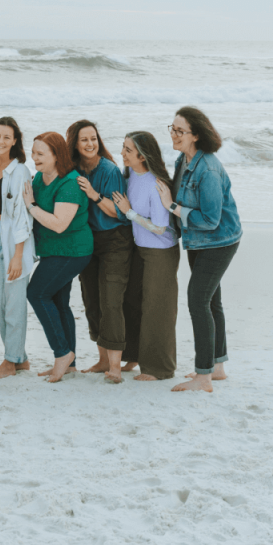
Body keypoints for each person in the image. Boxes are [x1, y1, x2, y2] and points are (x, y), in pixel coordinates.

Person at [157, 107, 242, 393]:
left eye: (180, 131)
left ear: (195, 135)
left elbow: (211, 219)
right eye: (172, 127)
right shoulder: (184, 159)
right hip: (196, 241)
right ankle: (216, 367)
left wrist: (172, 206)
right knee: (211, 299)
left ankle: (203, 376)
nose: (173, 134)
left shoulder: (208, 169)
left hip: (219, 240)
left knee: (198, 300)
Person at [23, 132, 93, 383]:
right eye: (33, 152)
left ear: (57, 156)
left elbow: (59, 224)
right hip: (53, 250)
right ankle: (70, 363)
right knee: (59, 302)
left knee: (36, 293)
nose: (35, 157)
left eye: (41, 154)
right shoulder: (41, 178)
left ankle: (62, 353)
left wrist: (31, 206)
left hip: (72, 250)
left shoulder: (70, 183)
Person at [69, 119, 134, 383]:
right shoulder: (72, 169)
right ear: (75, 142)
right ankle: (103, 359)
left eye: (93, 138)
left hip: (114, 239)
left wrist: (94, 195)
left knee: (110, 300)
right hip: (87, 240)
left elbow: (120, 212)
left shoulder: (109, 169)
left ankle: (116, 366)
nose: (90, 143)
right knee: (91, 300)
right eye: (84, 139)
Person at [112, 132, 180, 381]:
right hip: (140, 249)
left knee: (157, 309)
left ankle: (159, 369)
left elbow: (161, 227)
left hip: (160, 251)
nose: (123, 153)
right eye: (123, 148)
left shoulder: (156, 183)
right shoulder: (130, 176)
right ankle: (135, 356)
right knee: (133, 301)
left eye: (128, 150)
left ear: (142, 155)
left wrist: (129, 212)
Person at [0, 117, 34, 379]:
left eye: (7, 137)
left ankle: (10, 360)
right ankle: (20, 358)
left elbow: (23, 217)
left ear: (15, 141)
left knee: (14, 305)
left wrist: (17, 256)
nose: (1, 141)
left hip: (15, 243)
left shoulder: (21, 171)